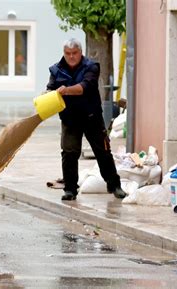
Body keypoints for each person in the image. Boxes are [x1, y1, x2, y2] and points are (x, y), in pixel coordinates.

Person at [46, 38, 126, 201]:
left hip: (92, 117)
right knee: (69, 153)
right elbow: (50, 88)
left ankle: (114, 185)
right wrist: (46, 94)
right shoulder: (56, 70)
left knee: (103, 152)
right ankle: (70, 189)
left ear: (80, 52)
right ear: (64, 53)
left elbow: (85, 86)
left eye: (74, 53)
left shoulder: (91, 66)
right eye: (68, 54)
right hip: (69, 119)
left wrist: (66, 90)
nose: (71, 57)